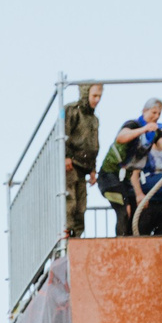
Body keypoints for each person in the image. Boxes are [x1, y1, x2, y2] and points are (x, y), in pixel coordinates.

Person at [116, 100, 162, 235]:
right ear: (144, 111)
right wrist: (140, 194)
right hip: (137, 193)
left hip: (161, 200)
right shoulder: (136, 129)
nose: (157, 116)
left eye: (159, 113)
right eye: (154, 112)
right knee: (129, 220)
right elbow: (121, 138)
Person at [64, 82, 103, 238]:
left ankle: (77, 235)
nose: (97, 99)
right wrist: (66, 156)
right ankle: (66, 231)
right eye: (94, 95)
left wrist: (93, 169)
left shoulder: (94, 119)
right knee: (70, 199)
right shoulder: (72, 111)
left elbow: (94, 144)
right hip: (71, 163)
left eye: (100, 96)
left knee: (81, 205)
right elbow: (64, 133)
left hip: (84, 165)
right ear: (86, 94)